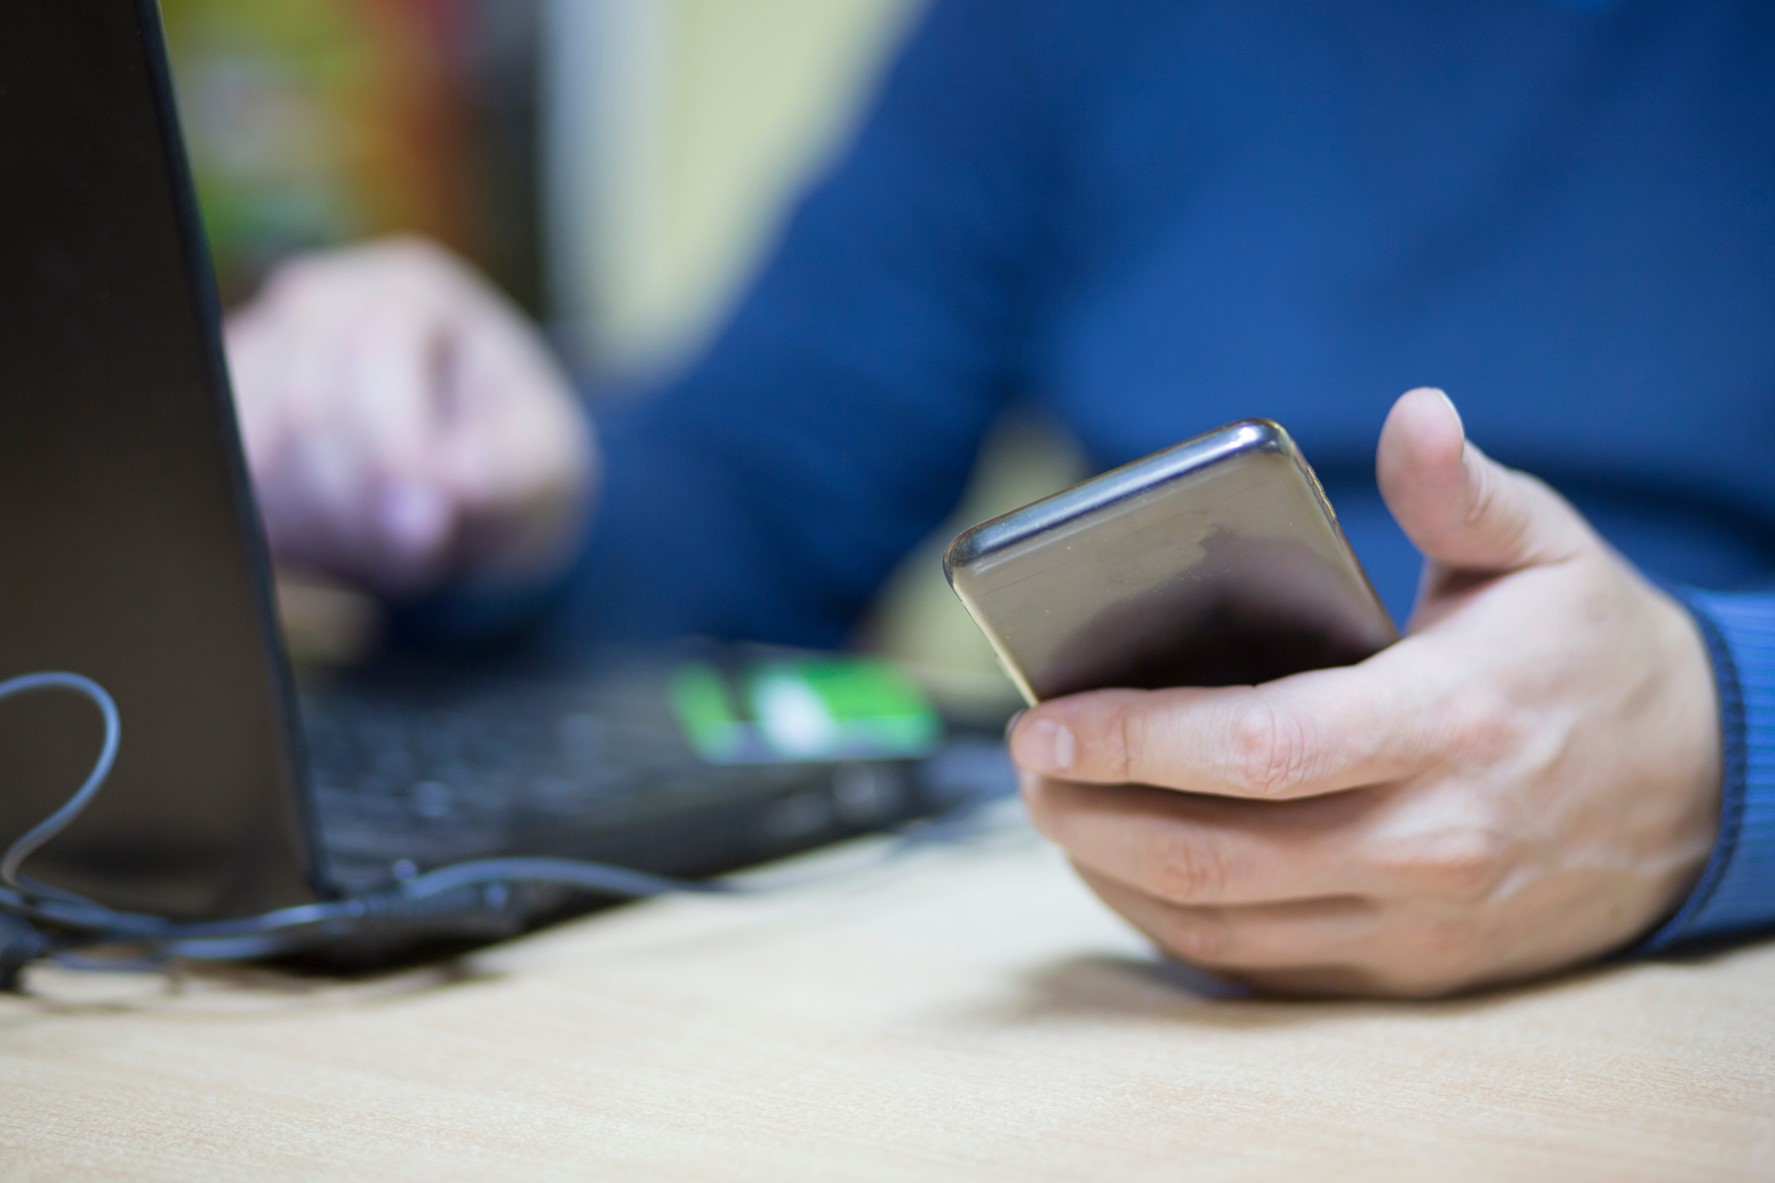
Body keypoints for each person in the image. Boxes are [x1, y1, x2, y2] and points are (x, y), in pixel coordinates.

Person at [221, 0, 1775, 997]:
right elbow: (765, 489)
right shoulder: (1055, 28)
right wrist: (509, 487)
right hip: (1140, 989)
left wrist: (1724, 741)